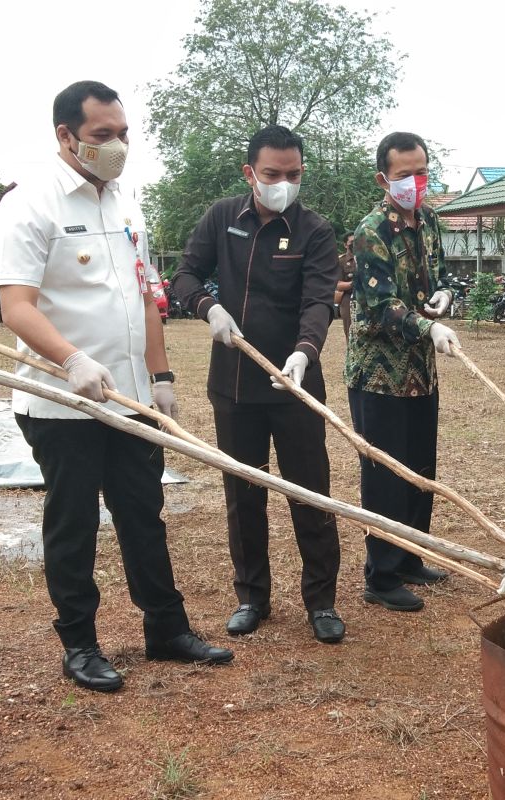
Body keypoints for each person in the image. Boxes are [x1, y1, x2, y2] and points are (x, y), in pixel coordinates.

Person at [0, 81, 232, 694]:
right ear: (65, 136)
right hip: (63, 400)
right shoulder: (29, 204)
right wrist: (72, 360)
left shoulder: (126, 203)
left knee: (142, 513)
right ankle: (79, 643)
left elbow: (146, 295)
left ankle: (166, 627)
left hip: (128, 397)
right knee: (72, 523)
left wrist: (161, 376)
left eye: (123, 133)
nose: (117, 146)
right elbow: (17, 308)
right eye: (103, 136)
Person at [172, 125, 345, 644]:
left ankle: (322, 602)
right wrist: (209, 307)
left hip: (295, 385)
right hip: (234, 386)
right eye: (272, 174)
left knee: (310, 494)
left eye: (293, 174)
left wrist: (303, 351)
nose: (283, 183)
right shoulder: (223, 218)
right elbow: (182, 277)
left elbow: (319, 301)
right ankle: (251, 597)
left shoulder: (315, 230)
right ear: (250, 173)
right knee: (242, 495)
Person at [346, 131, 460, 612]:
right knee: (385, 474)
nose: (415, 182)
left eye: (421, 171)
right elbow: (379, 305)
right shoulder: (371, 231)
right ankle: (382, 575)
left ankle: (411, 556)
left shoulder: (430, 219)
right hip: (379, 375)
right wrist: (426, 326)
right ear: (382, 178)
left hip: (421, 371)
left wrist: (444, 295)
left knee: (419, 468)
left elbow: (437, 274)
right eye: (404, 174)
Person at [335, 233, 356, 339]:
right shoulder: (341, 261)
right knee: (350, 332)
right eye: (351, 242)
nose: (354, 244)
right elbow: (338, 285)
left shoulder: (364, 257)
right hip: (348, 299)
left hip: (366, 298)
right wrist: (354, 283)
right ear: (345, 245)